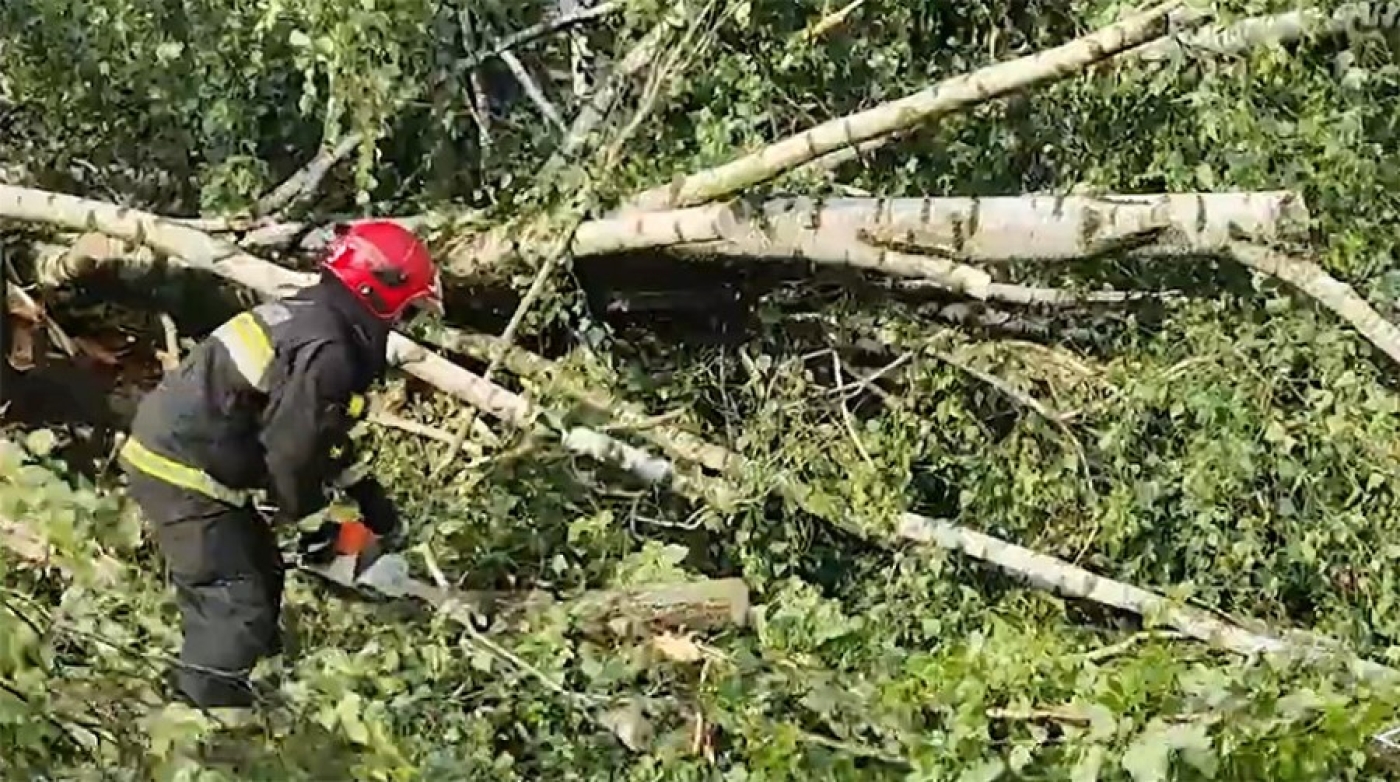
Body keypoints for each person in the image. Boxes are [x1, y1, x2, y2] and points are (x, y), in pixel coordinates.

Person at [118, 220, 444, 711]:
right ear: (379, 294)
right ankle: (200, 730)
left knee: (263, 572)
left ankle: (241, 696)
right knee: (235, 601)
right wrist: (318, 530)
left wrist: (369, 497)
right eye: (408, 311)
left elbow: (316, 433)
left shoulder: (317, 318)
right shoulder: (327, 349)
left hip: (187, 457)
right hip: (183, 471)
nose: (404, 324)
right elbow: (290, 455)